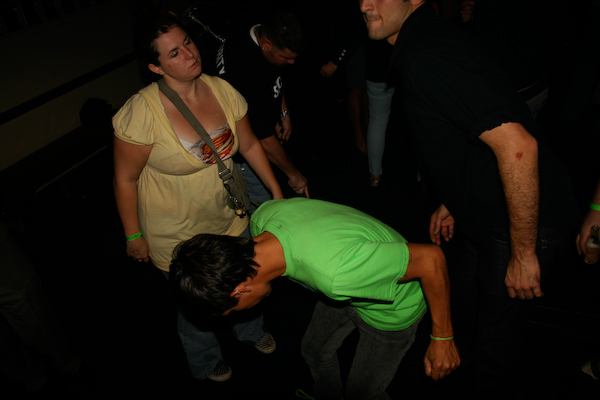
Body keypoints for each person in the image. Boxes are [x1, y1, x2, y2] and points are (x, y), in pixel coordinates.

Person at [359, 0, 580, 398]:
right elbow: (471, 132)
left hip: (523, 222)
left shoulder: (428, 54)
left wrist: (523, 253)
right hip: (489, 209)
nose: (364, 5)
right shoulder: (429, 40)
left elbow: (518, 147)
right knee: (469, 303)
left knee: (498, 341)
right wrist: (455, 199)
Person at [112, 10, 283, 382]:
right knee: (196, 302)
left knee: (246, 277)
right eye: (174, 53)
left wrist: (275, 191)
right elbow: (125, 178)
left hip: (228, 216)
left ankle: (250, 331)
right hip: (176, 234)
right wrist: (132, 235)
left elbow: (250, 144)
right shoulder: (141, 113)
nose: (189, 54)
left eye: (187, 42)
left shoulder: (221, 89)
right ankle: (205, 360)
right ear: (155, 67)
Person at [170, 198, 460, 400]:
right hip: (346, 287)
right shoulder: (263, 219)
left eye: (231, 312)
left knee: (363, 394)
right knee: (314, 351)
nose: (237, 315)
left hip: (392, 309)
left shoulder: (336, 274)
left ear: (239, 290)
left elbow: (431, 260)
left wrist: (443, 338)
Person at [202, 10, 309, 210]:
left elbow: (273, 76)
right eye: (286, 57)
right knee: (266, 208)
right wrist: (294, 175)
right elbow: (263, 140)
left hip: (257, 131)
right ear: (266, 44)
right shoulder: (246, 70)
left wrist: (283, 111)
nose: (292, 62)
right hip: (240, 154)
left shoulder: (256, 31)